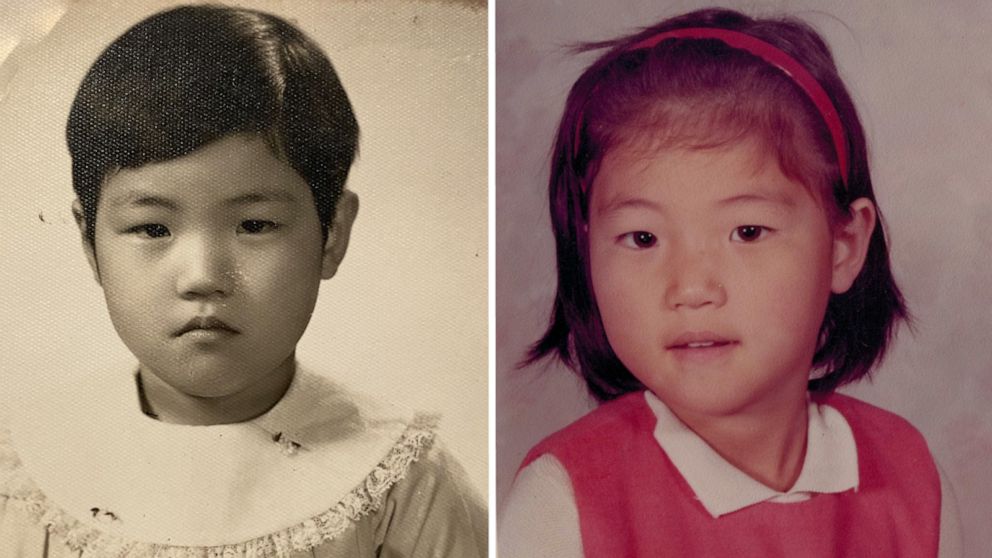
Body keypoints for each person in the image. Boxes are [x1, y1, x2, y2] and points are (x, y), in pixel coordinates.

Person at [0, 5, 485, 556]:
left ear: (332, 234)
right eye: (152, 228)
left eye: (255, 225)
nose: (204, 277)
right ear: (90, 242)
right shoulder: (27, 479)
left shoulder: (402, 482)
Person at [499, 8, 960, 557]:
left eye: (747, 231)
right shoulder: (563, 500)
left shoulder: (911, 477)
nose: (691, 289)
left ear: (843, 246)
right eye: (643, 239)